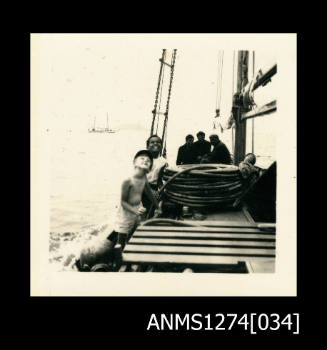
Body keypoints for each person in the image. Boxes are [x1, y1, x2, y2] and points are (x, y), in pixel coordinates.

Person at [107, 150, 159, 251]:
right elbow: (123, 202)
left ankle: (131, 249)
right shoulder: (128, 179)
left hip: (137, 207)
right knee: (121, 237)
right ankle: (119, 259)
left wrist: (157, 206)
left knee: (134, 231)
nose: (145, 161)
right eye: (141, 159)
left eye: (148, 160)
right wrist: (135, 211)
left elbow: (148, 191)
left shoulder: (143, 177)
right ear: (134, 162)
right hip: (125, 211)